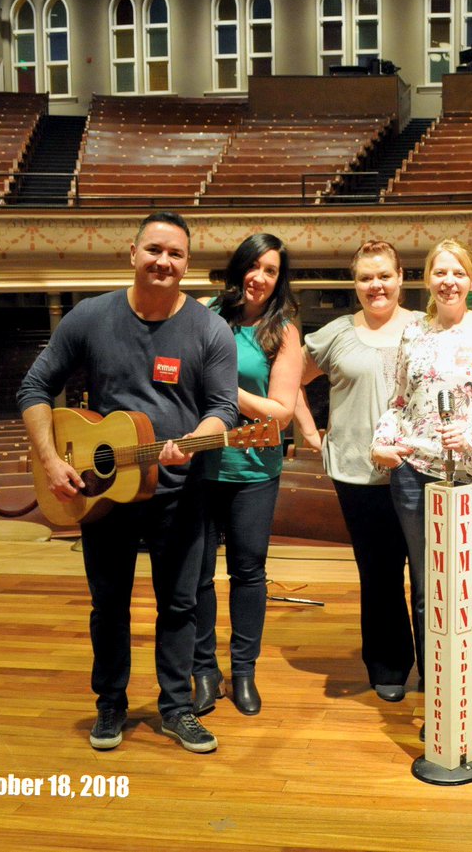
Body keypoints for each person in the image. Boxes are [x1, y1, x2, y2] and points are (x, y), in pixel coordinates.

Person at [17, 211, 238, 754]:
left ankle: (177, 707)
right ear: (132, 253)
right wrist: (51, 462)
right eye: (155, 249)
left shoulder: (210, 329)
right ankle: (110, 704)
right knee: (108, 604)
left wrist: (191, 442)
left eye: (177, 254)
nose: (165, 261)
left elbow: (224, 408)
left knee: (180, 604)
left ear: (188, 264)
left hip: (178, 494)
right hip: (103, 492)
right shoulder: (90, 317)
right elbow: (35, 387)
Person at [370, 239, 472, 759]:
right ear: (429, 280)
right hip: (417, 479)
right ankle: (442, 710)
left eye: (458, 272)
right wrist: (384, 438)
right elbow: (398, 403)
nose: (448, 280)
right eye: (440, 272)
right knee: (430, 596)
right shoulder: (414, 332)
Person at [295, 240, 421, 702]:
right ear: (355, 284)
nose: (376, 286)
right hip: (358, 476)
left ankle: (435, 665)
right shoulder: (336, 333)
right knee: (380, 574)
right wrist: (311, 434)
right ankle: (387, 666)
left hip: (419, 471)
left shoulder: (427, 328)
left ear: (401, 277)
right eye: (366, 278)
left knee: (429, 575)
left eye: (383, 275)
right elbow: (290, 381)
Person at [191, 233, 303, 718]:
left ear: (280, 280)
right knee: (195, 575)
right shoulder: (202, 312)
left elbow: (279, 414)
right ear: (238, 268)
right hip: (199, 462)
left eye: (271, 270)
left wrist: (226, 392)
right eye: (253, 266)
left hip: (254, 470)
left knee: (248, 572)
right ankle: (202, 669)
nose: (259, 277)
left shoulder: (284, 332)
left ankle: (244, 671)